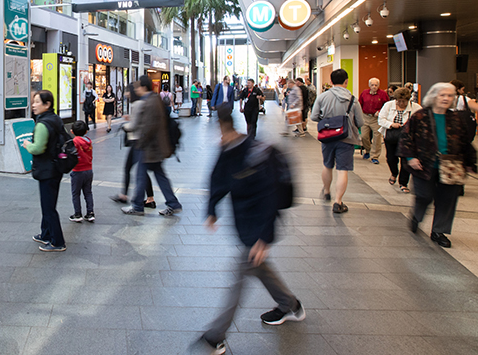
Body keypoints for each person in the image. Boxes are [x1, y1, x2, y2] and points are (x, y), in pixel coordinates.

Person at [194, 105, 304, 355]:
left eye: (222, 134)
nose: (220, 140)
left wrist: (264, 238)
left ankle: (215, 336)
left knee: (241, 273)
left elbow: (271, 197)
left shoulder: (257, 154)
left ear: (231, 131)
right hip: (245, 223)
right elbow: (217, 179)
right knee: (259, 266)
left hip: (260, 223)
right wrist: (212, 209)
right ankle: (290, 304)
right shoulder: (227, 150)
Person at [398, 82, 477, 248]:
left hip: (450, 166)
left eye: (450, 96)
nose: (446, 99)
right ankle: (417, 216)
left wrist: (470, 162)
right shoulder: (420, 116)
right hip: (424, 164)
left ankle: (439, 231)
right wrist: (411, 157)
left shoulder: (456, 118)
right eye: (442, 95)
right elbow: (406, 137)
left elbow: (465, 142)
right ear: (434, 96)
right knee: (424, 196)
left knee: (448, 199)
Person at [122, 75, 183, 216]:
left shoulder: (149, 103)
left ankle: (137, 206)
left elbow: (149, 127)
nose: (136, 90)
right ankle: (173, 203)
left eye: (138, 87)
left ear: (144, 87)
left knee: (141, 176)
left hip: (149, 147)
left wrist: (141, 143)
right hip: (156, 147)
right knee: (159, 175)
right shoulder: (154, 99)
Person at [310, 68, 364, 214]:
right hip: (346, 138)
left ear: (331, 81)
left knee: (327, 165)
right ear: (346, 81)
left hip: (327, 137)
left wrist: (327, 120)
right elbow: (360, 121)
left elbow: (314, 117)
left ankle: (327, 191)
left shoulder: (322, 97)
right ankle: (338, 202)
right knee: (342, 170)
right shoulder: (353, 99)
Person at [22, 90, 67, 252]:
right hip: (56, 167)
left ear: (46, 105)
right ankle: (46, 233)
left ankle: (57, 241)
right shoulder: (55, 118)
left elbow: (39, 148)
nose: (33, 105)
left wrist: (27, 145)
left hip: (47, 169)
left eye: (37, 102)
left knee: (48, 207)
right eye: (33, 102)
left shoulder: (42, 124)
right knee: (48, 204)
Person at [110, 82, 156, 209]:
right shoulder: (140, 103)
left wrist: (125, 126)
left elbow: (134, 126)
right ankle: (130, 196)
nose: (126, 94)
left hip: (137, 141)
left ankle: (139, 198)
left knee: (136, 169)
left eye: (128, 91)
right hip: (139, 140)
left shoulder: (137, 104)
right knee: (137, 169)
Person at [378, 88, 419, 193]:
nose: (401, 103)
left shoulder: (416, 108)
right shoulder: (388, 105)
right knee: (391, 158)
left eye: (404, 101)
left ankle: (403, 183)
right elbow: (381, 119)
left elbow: (421, 122)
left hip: (407, 139)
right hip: (392, 136)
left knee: (406, 161)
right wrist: (391, 124)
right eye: (398, 101)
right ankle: (394, 173)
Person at [68, 120, 95, 223]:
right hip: (89, 170)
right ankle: (90, 213)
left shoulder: (75, 141)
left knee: (76, 193)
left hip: (77, 170)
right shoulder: (88, 141)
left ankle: (77, 214)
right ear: (86, 131)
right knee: (88, 192)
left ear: (72, 131)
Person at [359, 77, 390, 164]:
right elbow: (359, 103)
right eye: (372, 85)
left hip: (376, 119)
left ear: (378, 86)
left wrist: (380, 112)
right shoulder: (364, 93)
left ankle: (374, 156)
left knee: (377, 137)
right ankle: (368, 150)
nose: (374, 87)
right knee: (364, 136)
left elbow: (387, 106)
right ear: (369, 85)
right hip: (365, 116)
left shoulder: (383, 94)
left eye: (376, 85)